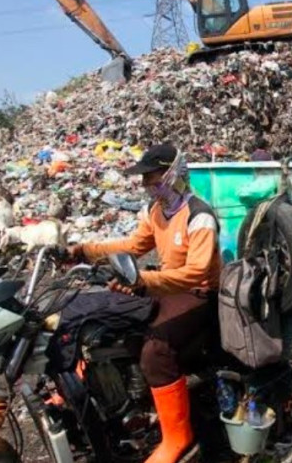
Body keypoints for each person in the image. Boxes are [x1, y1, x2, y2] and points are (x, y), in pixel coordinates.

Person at [68, 143, 221, 463]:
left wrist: (144, 282)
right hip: (163, 286)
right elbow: (133, 245)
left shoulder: (199, 216)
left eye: (153, 178)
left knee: (156, 350)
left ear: (174, 174)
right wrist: (84, 250)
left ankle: (178, 438)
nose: (148, 186)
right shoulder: (156, 211)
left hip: (198, 294)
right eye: (145, 180)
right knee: (96, 321)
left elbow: (195, 273)